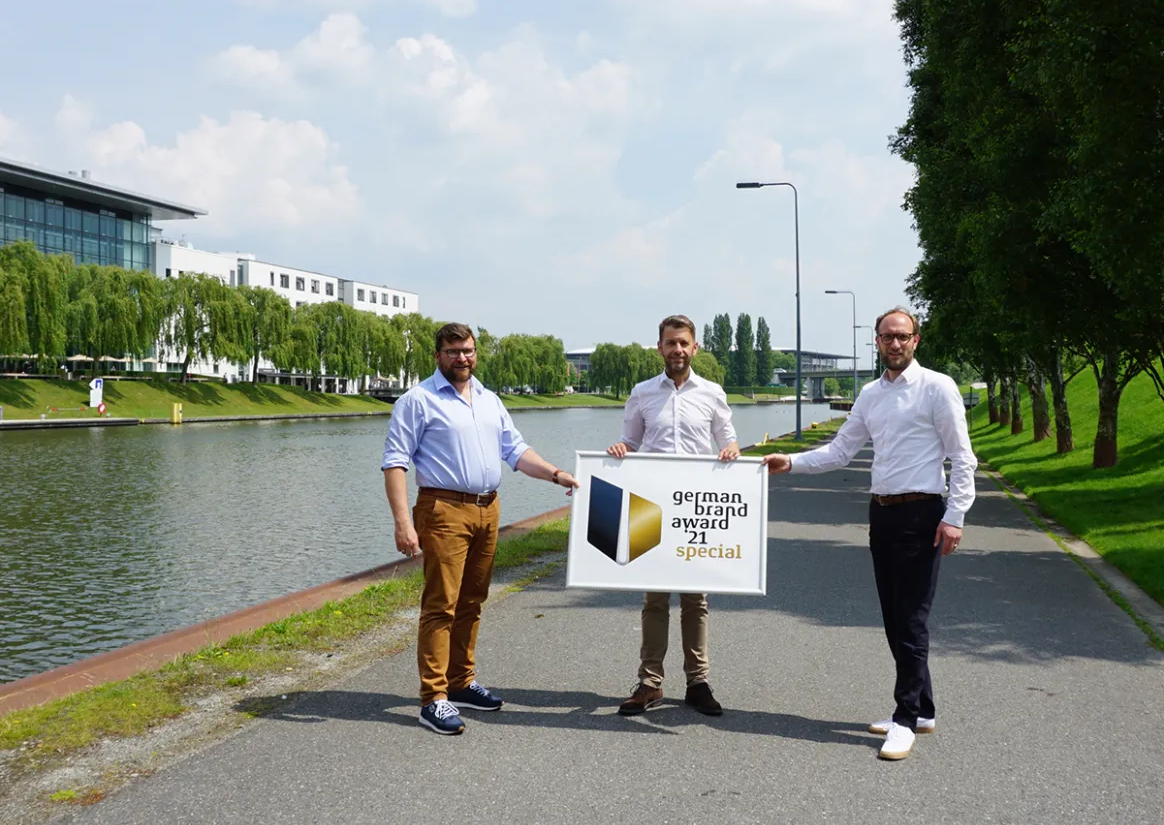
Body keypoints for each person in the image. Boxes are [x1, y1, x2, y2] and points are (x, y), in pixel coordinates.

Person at [761, 306, 976, 761]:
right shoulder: (870, 394)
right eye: (886, 337)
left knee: (913, 619)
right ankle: (923, 710)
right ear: (875, 342)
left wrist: (955, 515)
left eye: (902, 336)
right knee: (895, 618)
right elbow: (841, 450)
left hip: (923, 513)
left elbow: (962, 456)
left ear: (916, 340)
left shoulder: (938, 387)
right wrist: (792, 462)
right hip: (883, 514)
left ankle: (903, 720)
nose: (894, 344)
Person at [382, 322, 579, 735]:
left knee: (473, 599)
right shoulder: (417, 401)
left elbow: (516, 451)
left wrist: (556, 474)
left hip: (487, 509)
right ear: (437, 355)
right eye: (453, 351)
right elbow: (395, 463)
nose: (462, 358)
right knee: (442, 604)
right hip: (443, 510)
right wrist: (403, 523)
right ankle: (432, 698)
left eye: (468, 350)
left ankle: (461, 682)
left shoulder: (489, 399)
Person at [606, 314, 740, 717]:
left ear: (694, 348)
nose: (677, 350)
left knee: (696, 599)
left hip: (697, 508)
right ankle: (650, 683)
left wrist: (732, 450)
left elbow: (727, 438)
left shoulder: (713, 392)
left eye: (684, 343)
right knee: (654, 599)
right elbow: (630, 440)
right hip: (653, 506)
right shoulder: (643, 392)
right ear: (660, 347)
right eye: (670, 343)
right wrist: (620, 451)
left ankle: (698, 682)